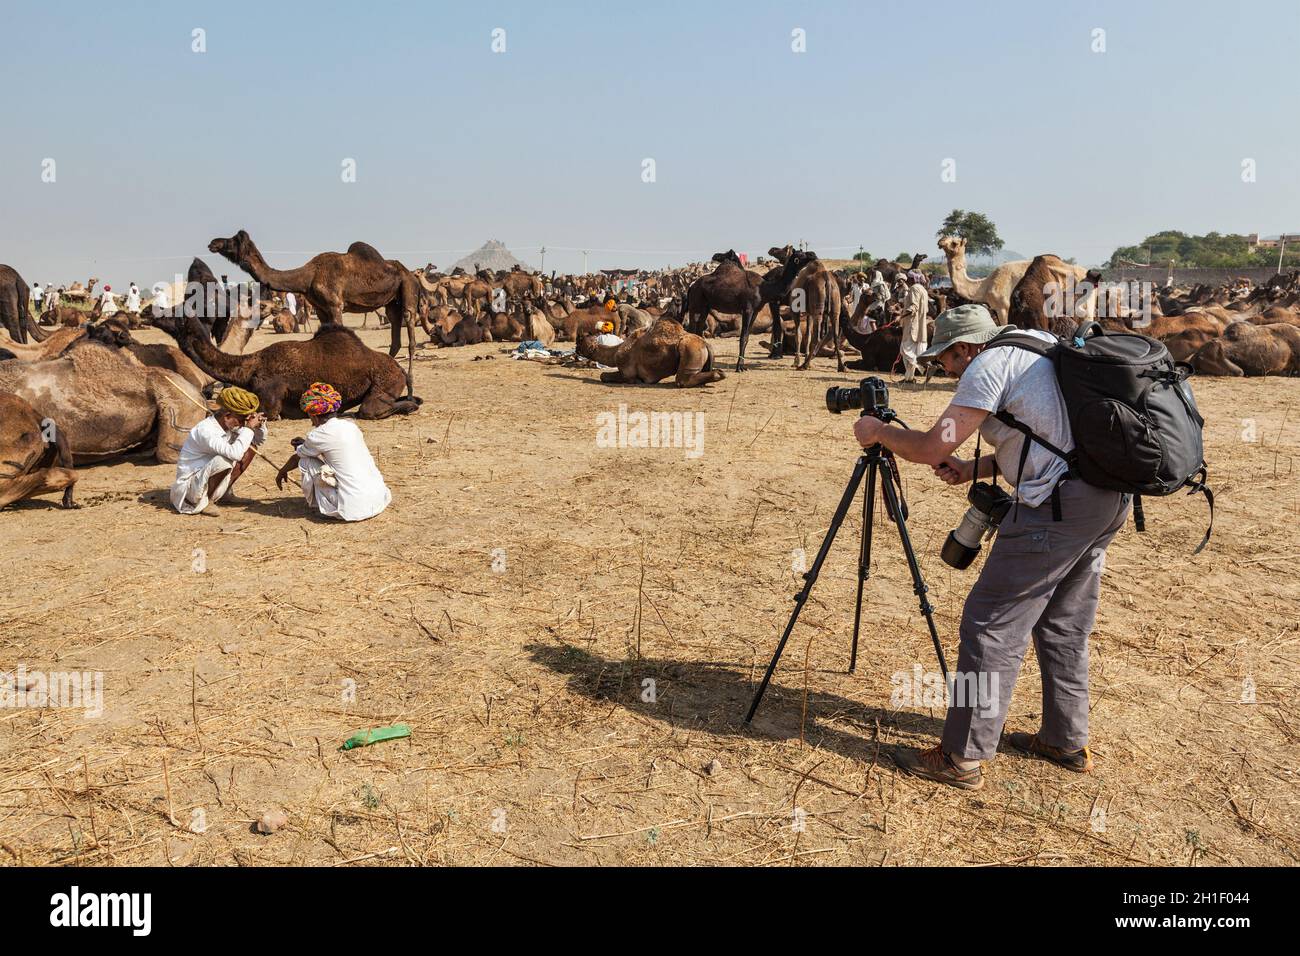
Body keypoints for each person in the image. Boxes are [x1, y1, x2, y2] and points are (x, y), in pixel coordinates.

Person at [851, 304, 1129, 790]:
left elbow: (929, 447)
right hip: (1106, 497)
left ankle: (961, 757)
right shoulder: (1038, 347)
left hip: (1055, 509)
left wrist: (879, 433)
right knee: (1063, 624)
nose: (946, 370)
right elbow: (1051, 441)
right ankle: (1065, 740)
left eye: (945, 360)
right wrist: (972, 470)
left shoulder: (988, 365)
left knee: (990, 622)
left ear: (964, 348)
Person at [275, 383, 391, 521]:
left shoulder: (317, 435)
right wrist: (305, 445)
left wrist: (282, 471)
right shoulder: (350, 426)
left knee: (306, 461)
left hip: (355, 509)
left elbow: (297, 458)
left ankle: (324, 508)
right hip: (378, 500)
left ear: (313, 416)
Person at [170, 386, 268, 516]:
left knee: (250, 448)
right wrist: (249, 428)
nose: (241, 424)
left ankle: (224, 493)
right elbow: (235, 454)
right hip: (190, 489)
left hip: (206, 478)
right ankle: (207, 502)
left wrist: (259, 426)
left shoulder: (228, 425)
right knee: (225, 459)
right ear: (227, 416)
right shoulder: (206, 431)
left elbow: (258, 440)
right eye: (240, 419)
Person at [898, 272, 930, 382]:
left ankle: (925, 366)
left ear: (912, 279)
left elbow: (913, 307)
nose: (907, 280)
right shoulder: (923, 290)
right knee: (914, 352)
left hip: (912, 326)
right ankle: (909, 378)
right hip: (920, 326)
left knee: (906, 351)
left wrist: (901, 316)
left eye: (909, 279)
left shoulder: (914, 289)